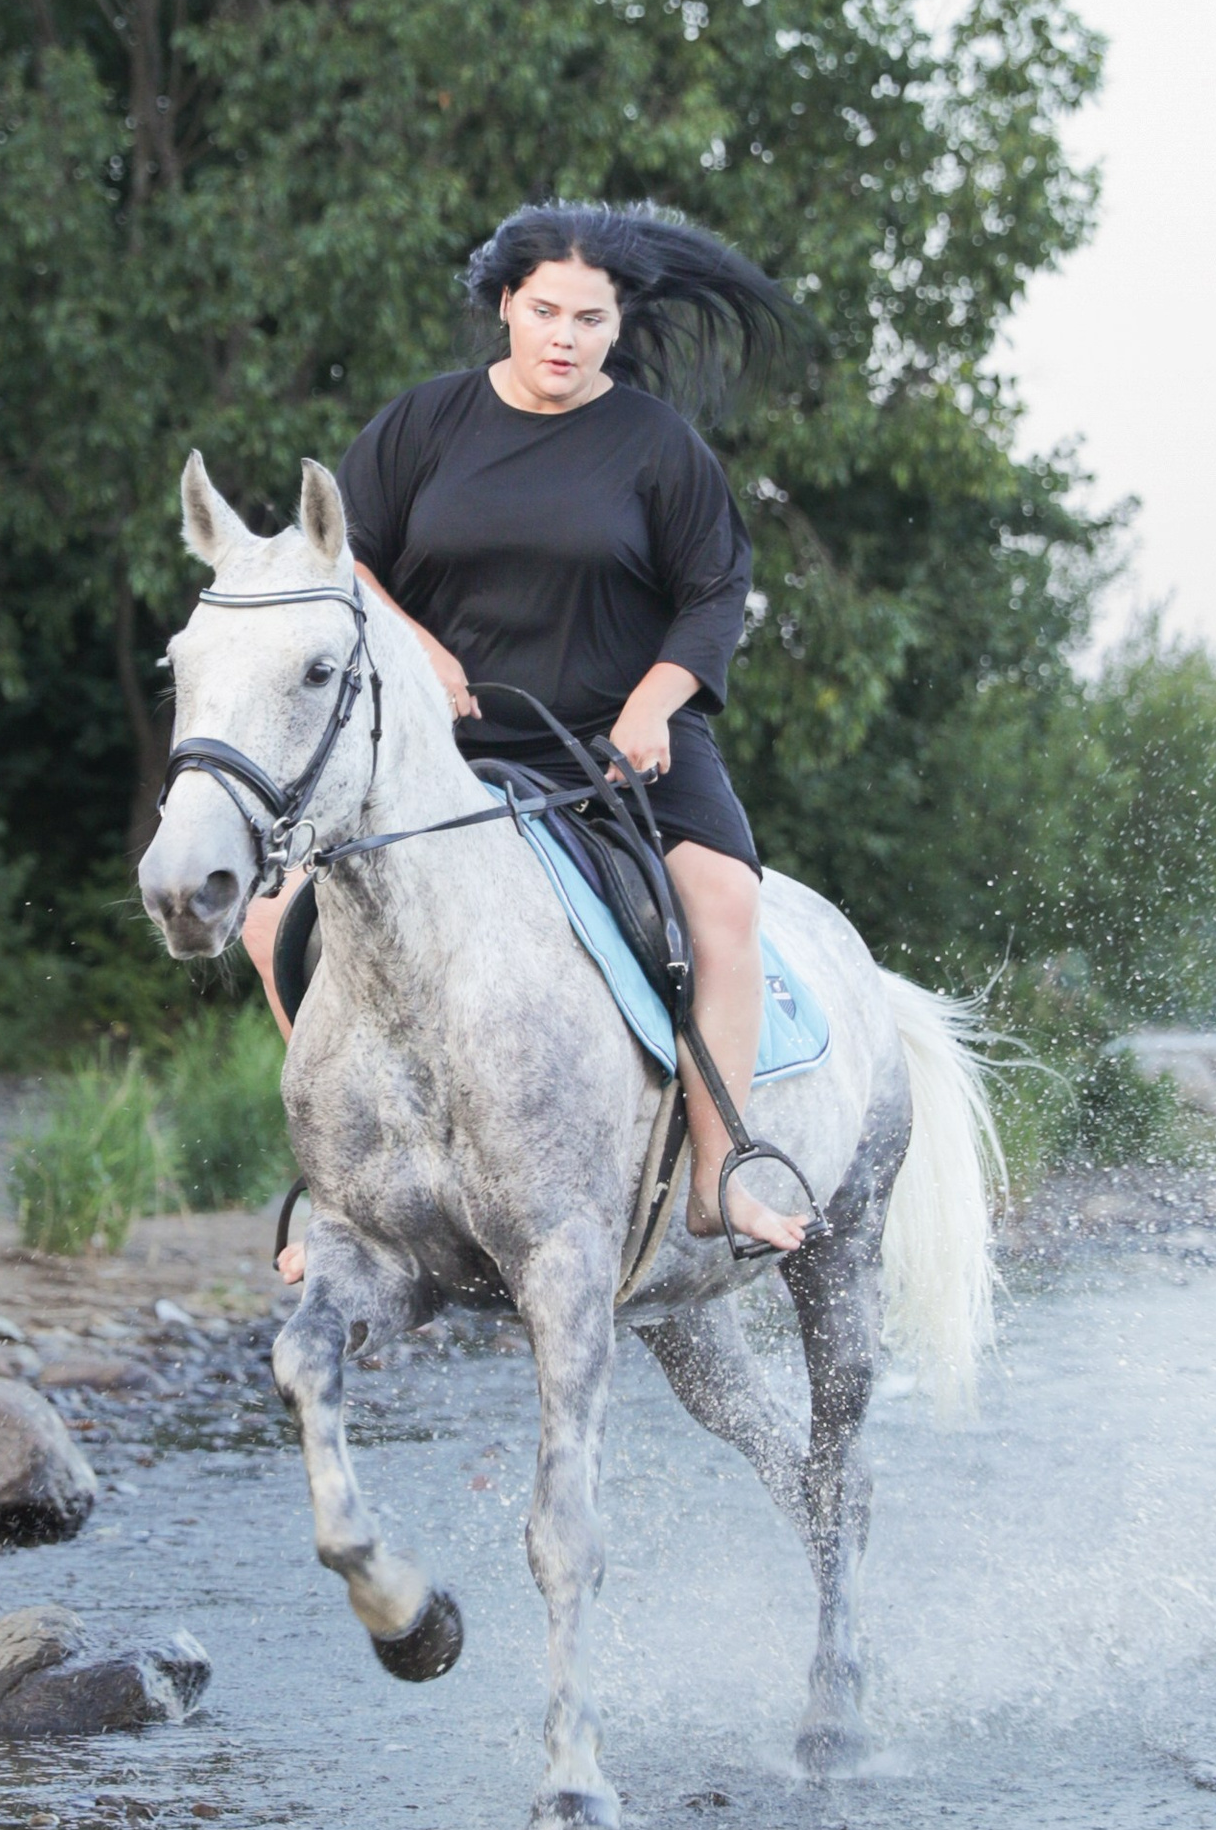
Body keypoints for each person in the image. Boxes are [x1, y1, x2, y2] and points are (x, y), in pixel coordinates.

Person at [246, 199, 809, 1273]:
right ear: (506, 304)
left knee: (725, 901)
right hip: (444, 747)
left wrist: (655, 703)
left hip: (619, 745)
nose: (564, 336)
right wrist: (421, 651)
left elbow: (714, 592)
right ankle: (349, 1181)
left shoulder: (657, 446)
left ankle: (718, 1172)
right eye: (544, 309)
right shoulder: (423, 425)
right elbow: (343, 563)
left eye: (589, 318)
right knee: (273, 911)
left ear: (617, 324)